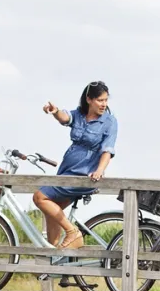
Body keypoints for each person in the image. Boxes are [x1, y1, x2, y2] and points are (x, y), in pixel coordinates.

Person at [36, 81, 118, 249]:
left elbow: (107, 150)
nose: (104, 104)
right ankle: (53, 257)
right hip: (67, 171)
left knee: (39, 197)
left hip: (84, 174)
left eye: (106, 100)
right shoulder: (79, 115)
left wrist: (100, 170)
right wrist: (55, 112)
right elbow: (66, 118)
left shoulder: (109, 122)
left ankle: (73, 233)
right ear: (89, 99)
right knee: (52, 211)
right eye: (100, 100)